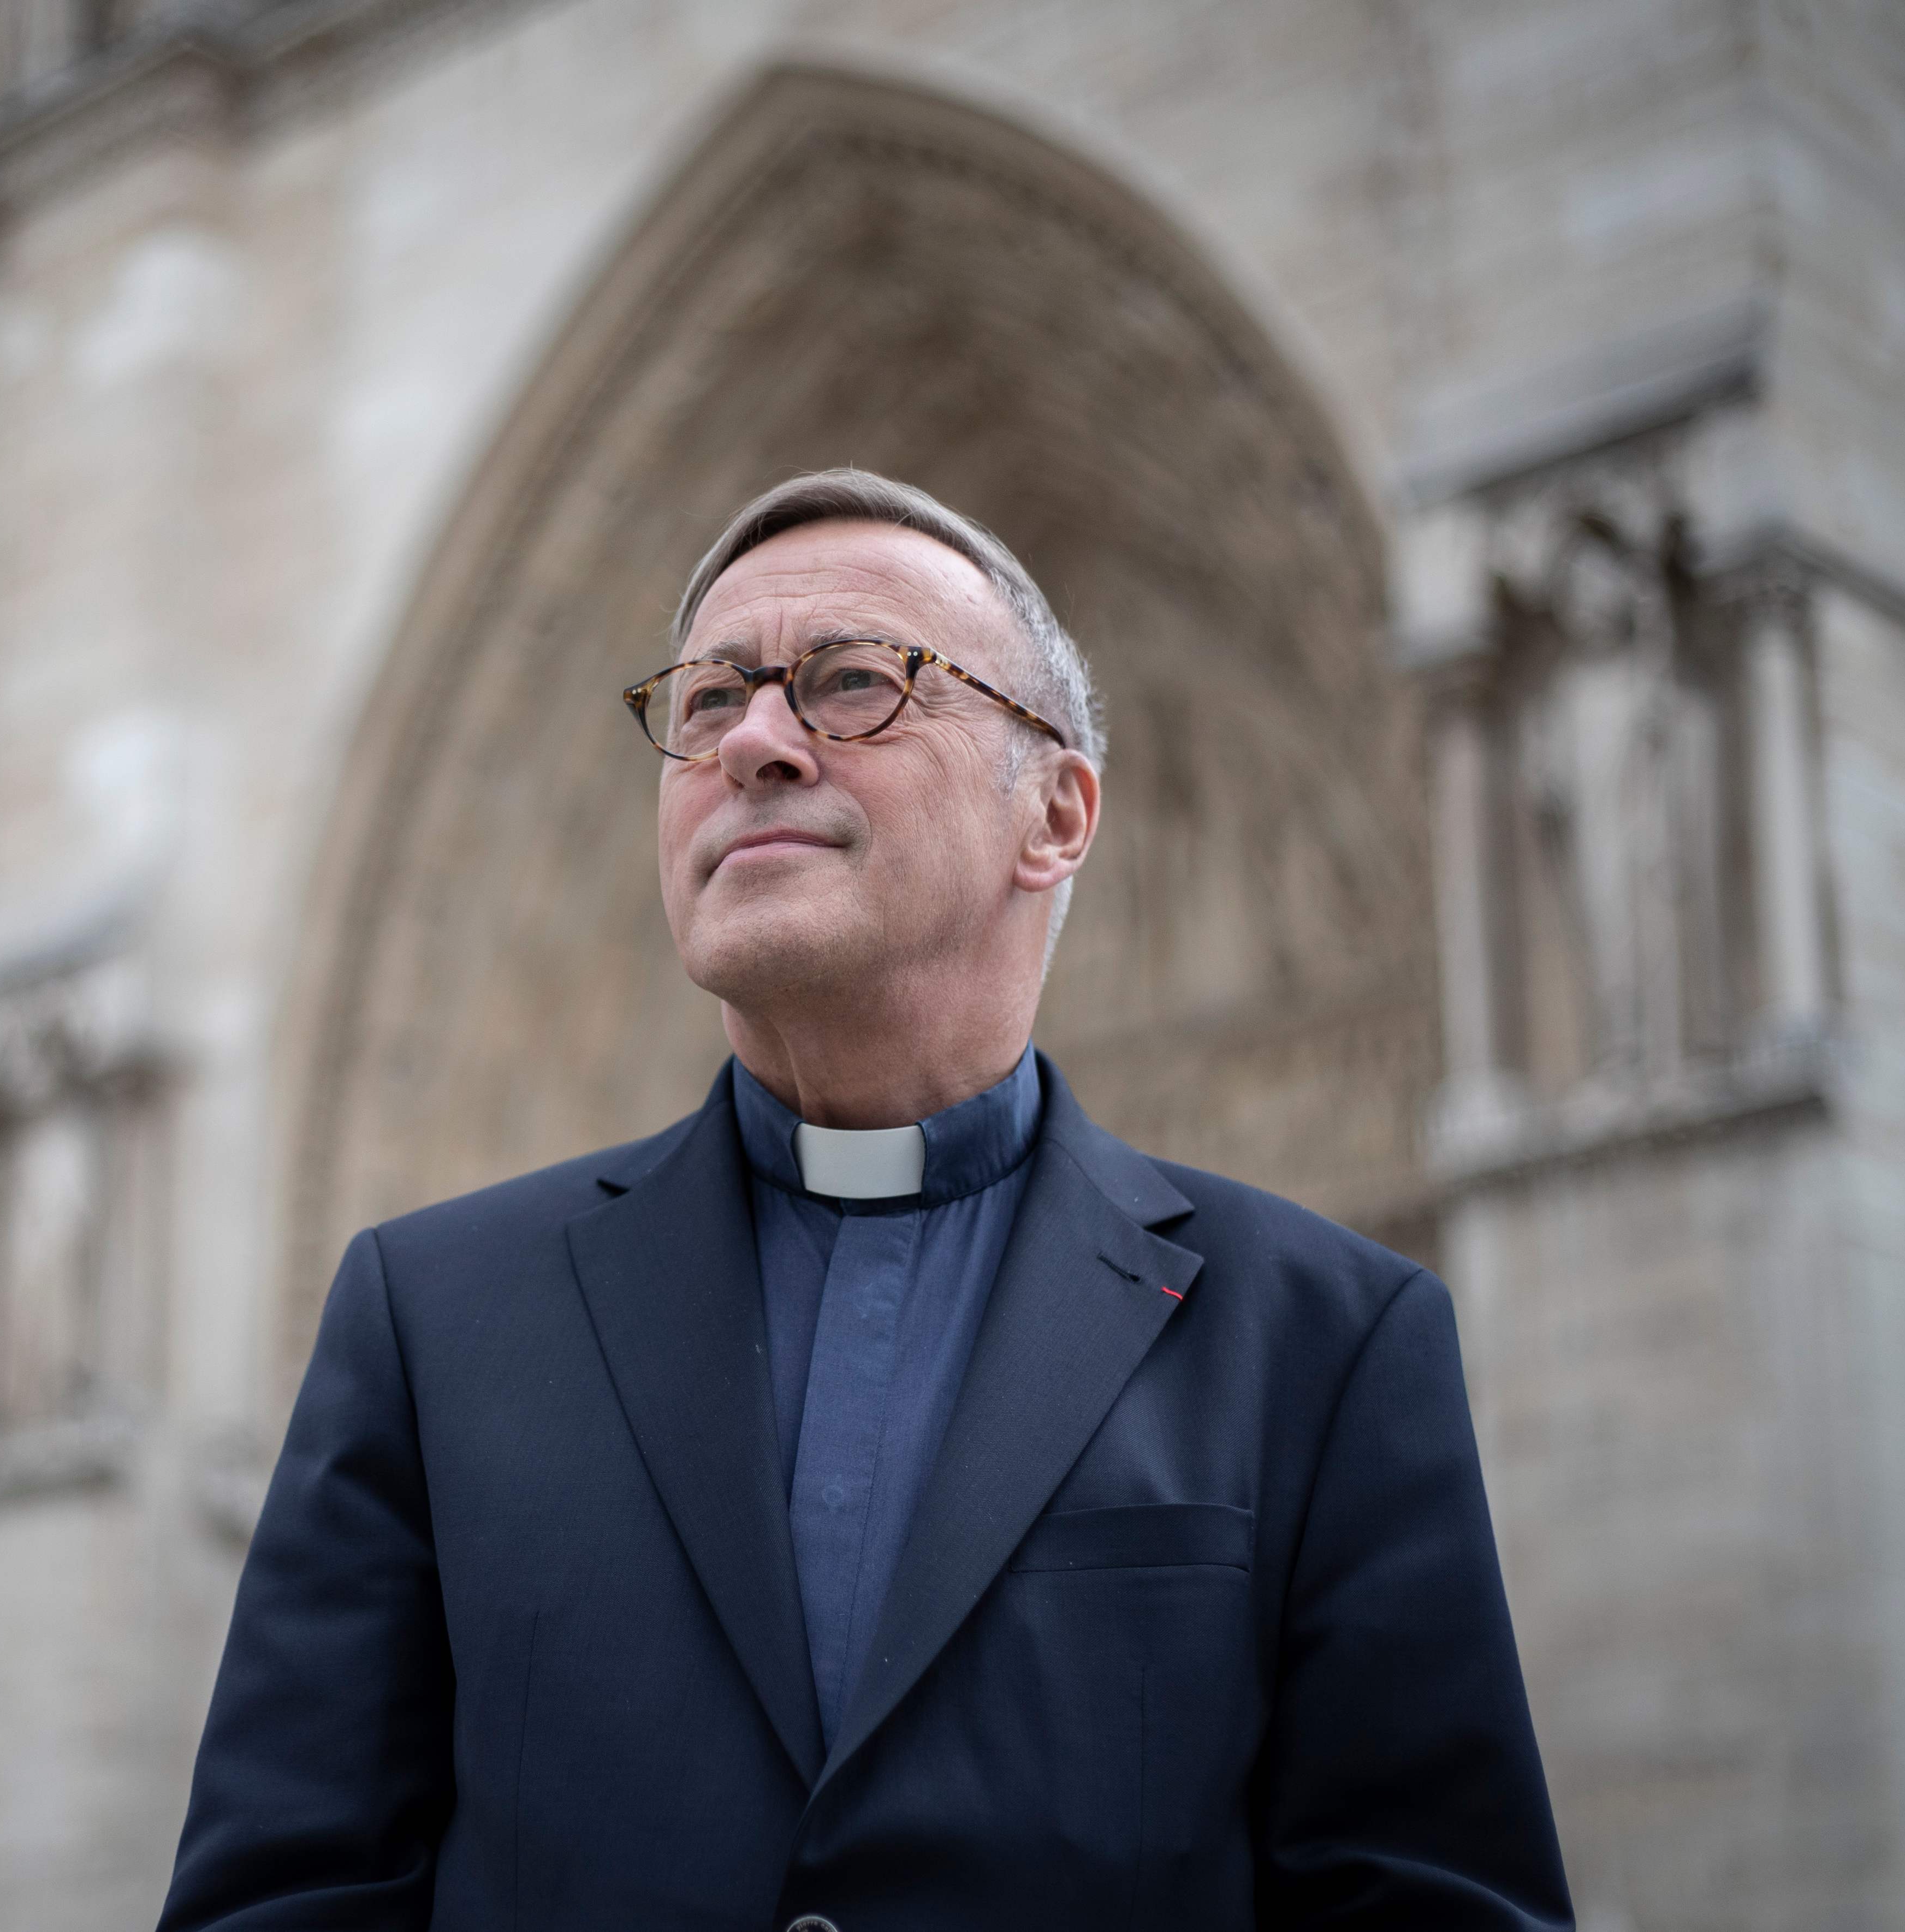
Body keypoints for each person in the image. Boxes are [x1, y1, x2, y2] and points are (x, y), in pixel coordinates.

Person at [161, 471, 1571, 1929]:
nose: (754, 742)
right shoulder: (432, 1319)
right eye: (707, 704)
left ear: (1060, 810)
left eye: (851, 683)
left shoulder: (1329, 1341)